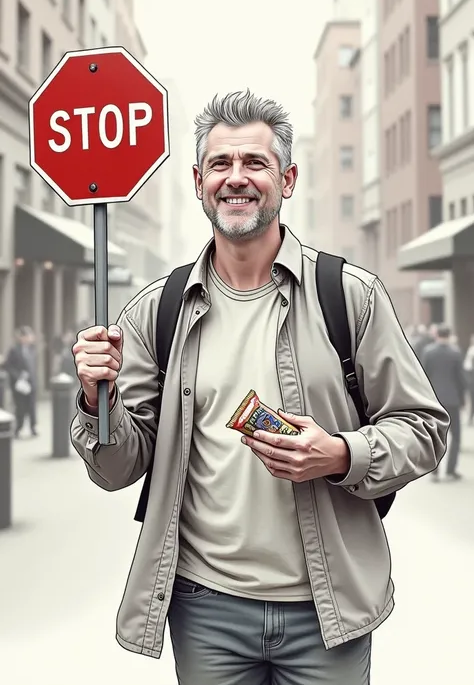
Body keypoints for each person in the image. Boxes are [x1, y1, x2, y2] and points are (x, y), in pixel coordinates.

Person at [70, 90, 449, 685]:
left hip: (328, 612)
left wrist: (341, 453)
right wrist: (98, 399)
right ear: (198, 181)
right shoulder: (154, 312)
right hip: (205, 611)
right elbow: (115, 469)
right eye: (220, 164)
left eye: (255, 163)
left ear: (288, 178)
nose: (236, 178)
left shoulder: (349, 295)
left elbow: (425, 430)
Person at [422, 324, 465, 481]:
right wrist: (462, 399)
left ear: (437, 335)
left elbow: (423, 375)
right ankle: (451, 470)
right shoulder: (456, 353)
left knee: (436, 435)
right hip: (452, 399)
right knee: (456, 436)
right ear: (449, 335)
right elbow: (461, 379)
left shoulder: (428, 352)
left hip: (434, 400)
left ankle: (434, 470)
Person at [4, 326, 38, 438]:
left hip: (31, 382)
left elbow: (33, 366)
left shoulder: (32, 349)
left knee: (32, 406)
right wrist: (18, 376)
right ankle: (18, 428)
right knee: (20, 406)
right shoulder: (14, 350)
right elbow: (8, 366)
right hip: (19, 384)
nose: (30, 338)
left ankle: (33, 427)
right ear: (22, 337)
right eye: (28, 336)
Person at [464, 334, 474, 425]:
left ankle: (470, 418)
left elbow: (467, 367)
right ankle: (470, 417)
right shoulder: (471, 351)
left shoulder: (471, 351)